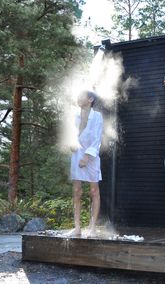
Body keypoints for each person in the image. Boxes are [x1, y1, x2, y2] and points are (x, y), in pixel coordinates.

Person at [69, 90, 103, 237]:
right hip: (77, 153)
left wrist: (87, 157)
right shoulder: (75, 115)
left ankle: (92, 227)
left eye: (81, 96)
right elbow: (72, 135)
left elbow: (97, 139)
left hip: (92, 155)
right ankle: (77, 228)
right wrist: (72, 144)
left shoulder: (97, 116)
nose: (78, 98)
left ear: (90, 99)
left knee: (94, 191)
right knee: (77, 191)